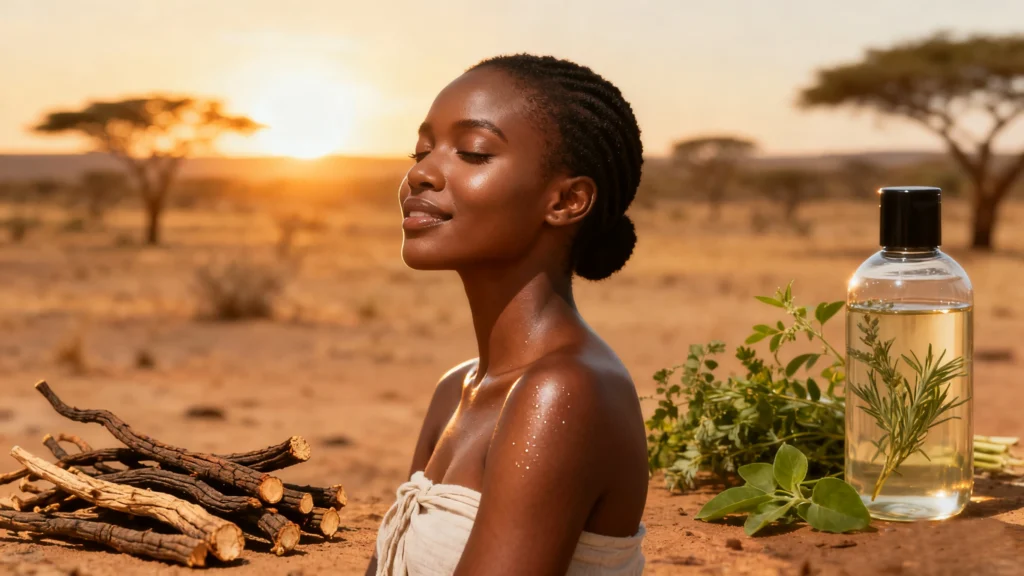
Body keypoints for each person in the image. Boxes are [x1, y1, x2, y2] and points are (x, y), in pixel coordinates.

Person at [368, 53, 648, 576]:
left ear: (566, 200)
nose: (421, 173)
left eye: (472, 152)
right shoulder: (455, 390)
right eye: (422, 149)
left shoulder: (565, 392)